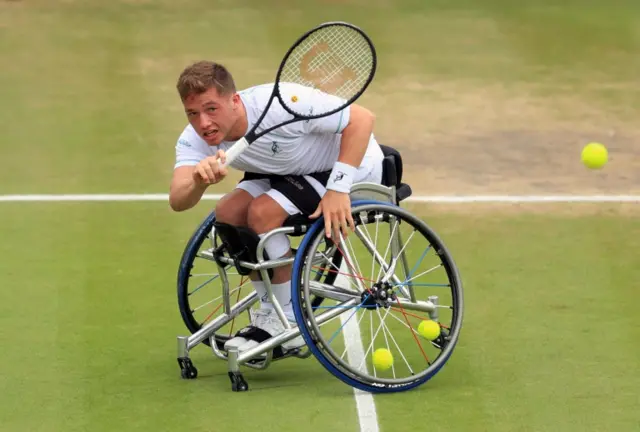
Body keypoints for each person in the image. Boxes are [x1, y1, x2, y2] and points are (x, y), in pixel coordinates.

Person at [169, 60, 384, 355]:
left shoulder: (284, 103)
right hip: (290, 171)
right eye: (193, 113)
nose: (203, 123)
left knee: (263, 212)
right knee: (228, 212)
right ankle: (272, 310)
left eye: (211, 109)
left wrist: (338, 189)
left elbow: (362, 118)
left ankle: (292, 318)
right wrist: (199, 179)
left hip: (351, 165)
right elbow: (179, 200)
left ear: (234, 101)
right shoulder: (196, 137)